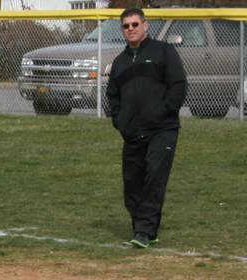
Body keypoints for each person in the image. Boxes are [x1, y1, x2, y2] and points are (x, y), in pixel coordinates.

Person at [106, 7, 187, 248]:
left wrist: (162, 112)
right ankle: (141, 226)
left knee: (154, 176)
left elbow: (178, 86)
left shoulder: (163, 51)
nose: (130, 29)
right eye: (126, 26)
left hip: (162, 129)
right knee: (132, 183)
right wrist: (120, 122)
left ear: (145, 25)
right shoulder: (120, 62)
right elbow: (112, 97)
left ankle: (144, 231)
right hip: (132, 133)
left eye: (134, 24)